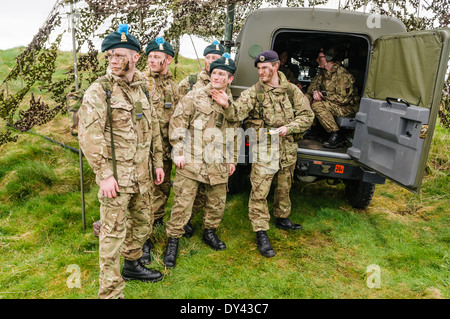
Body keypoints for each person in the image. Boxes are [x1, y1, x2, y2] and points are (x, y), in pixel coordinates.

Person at [77, 24, 165, 299]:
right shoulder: (100, 90)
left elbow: (152, 130)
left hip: (142, 175)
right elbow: (88, 136)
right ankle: (111, 292)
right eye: (110, 55)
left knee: (141, 225)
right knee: (112, 236)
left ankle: (132, 265)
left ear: (135, 56)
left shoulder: (143, 89)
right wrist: (104, 175)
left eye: (119, 55)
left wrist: (158, 162)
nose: (113, 60)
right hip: (116, 179)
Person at [222, 50, 314, 258]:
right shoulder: (254, 92)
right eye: (259, 69)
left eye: (265, 68)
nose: (261, 72)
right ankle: (261, 231)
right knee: (259, 190)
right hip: (264, 148)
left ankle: (282, 218)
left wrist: (289, 128)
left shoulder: (291, 91)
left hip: (288, 148)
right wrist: (226, 103)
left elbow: (308, 116)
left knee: (284, 185)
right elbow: (236, 113)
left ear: (276, 67)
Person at [162, 53, 240, 268]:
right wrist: (177, 152)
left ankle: (209, 232)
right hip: (192, 159)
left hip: (218, 161)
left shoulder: (231, 103)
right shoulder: (194, 96)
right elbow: (178, 123)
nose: (217, 77)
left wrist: (232, 159)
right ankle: (173, 242)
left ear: (230, 79)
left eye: (222, 74)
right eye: (214, 73)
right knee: (182, 203)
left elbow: (235, 130)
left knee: (216, 203)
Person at [177, 40, 226, 236]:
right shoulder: (190, 82)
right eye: (208, 57)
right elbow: (177, 109)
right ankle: (185, 221)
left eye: (216, 58)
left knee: (208, 187)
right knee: (188, 187)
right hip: (191, 143)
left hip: (213, 146)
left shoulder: (224, 80)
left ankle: (202, 222)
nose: (211, 61)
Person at [144, 37, 180, 227]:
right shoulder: (142, 82)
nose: (151, 60)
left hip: (166, 149)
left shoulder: (173, 87)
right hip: (145, 148)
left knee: (162, 186)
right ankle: (142, 225)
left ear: (168, 60)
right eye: (149, 56)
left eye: (156, 56)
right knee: (144, 189)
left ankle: (156, 220)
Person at [305, 48, 360, 148]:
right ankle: (312, 130)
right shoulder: (323, 73)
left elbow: (343, 99)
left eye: (319, 58)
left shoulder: (342, 75)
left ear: (328, 59)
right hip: (333, 104)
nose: (317, 60)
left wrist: (322, 95)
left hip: (347, 108)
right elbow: (312, 87)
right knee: (306, 98)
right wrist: (314, 92)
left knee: (317, 104)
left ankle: (336, 134)